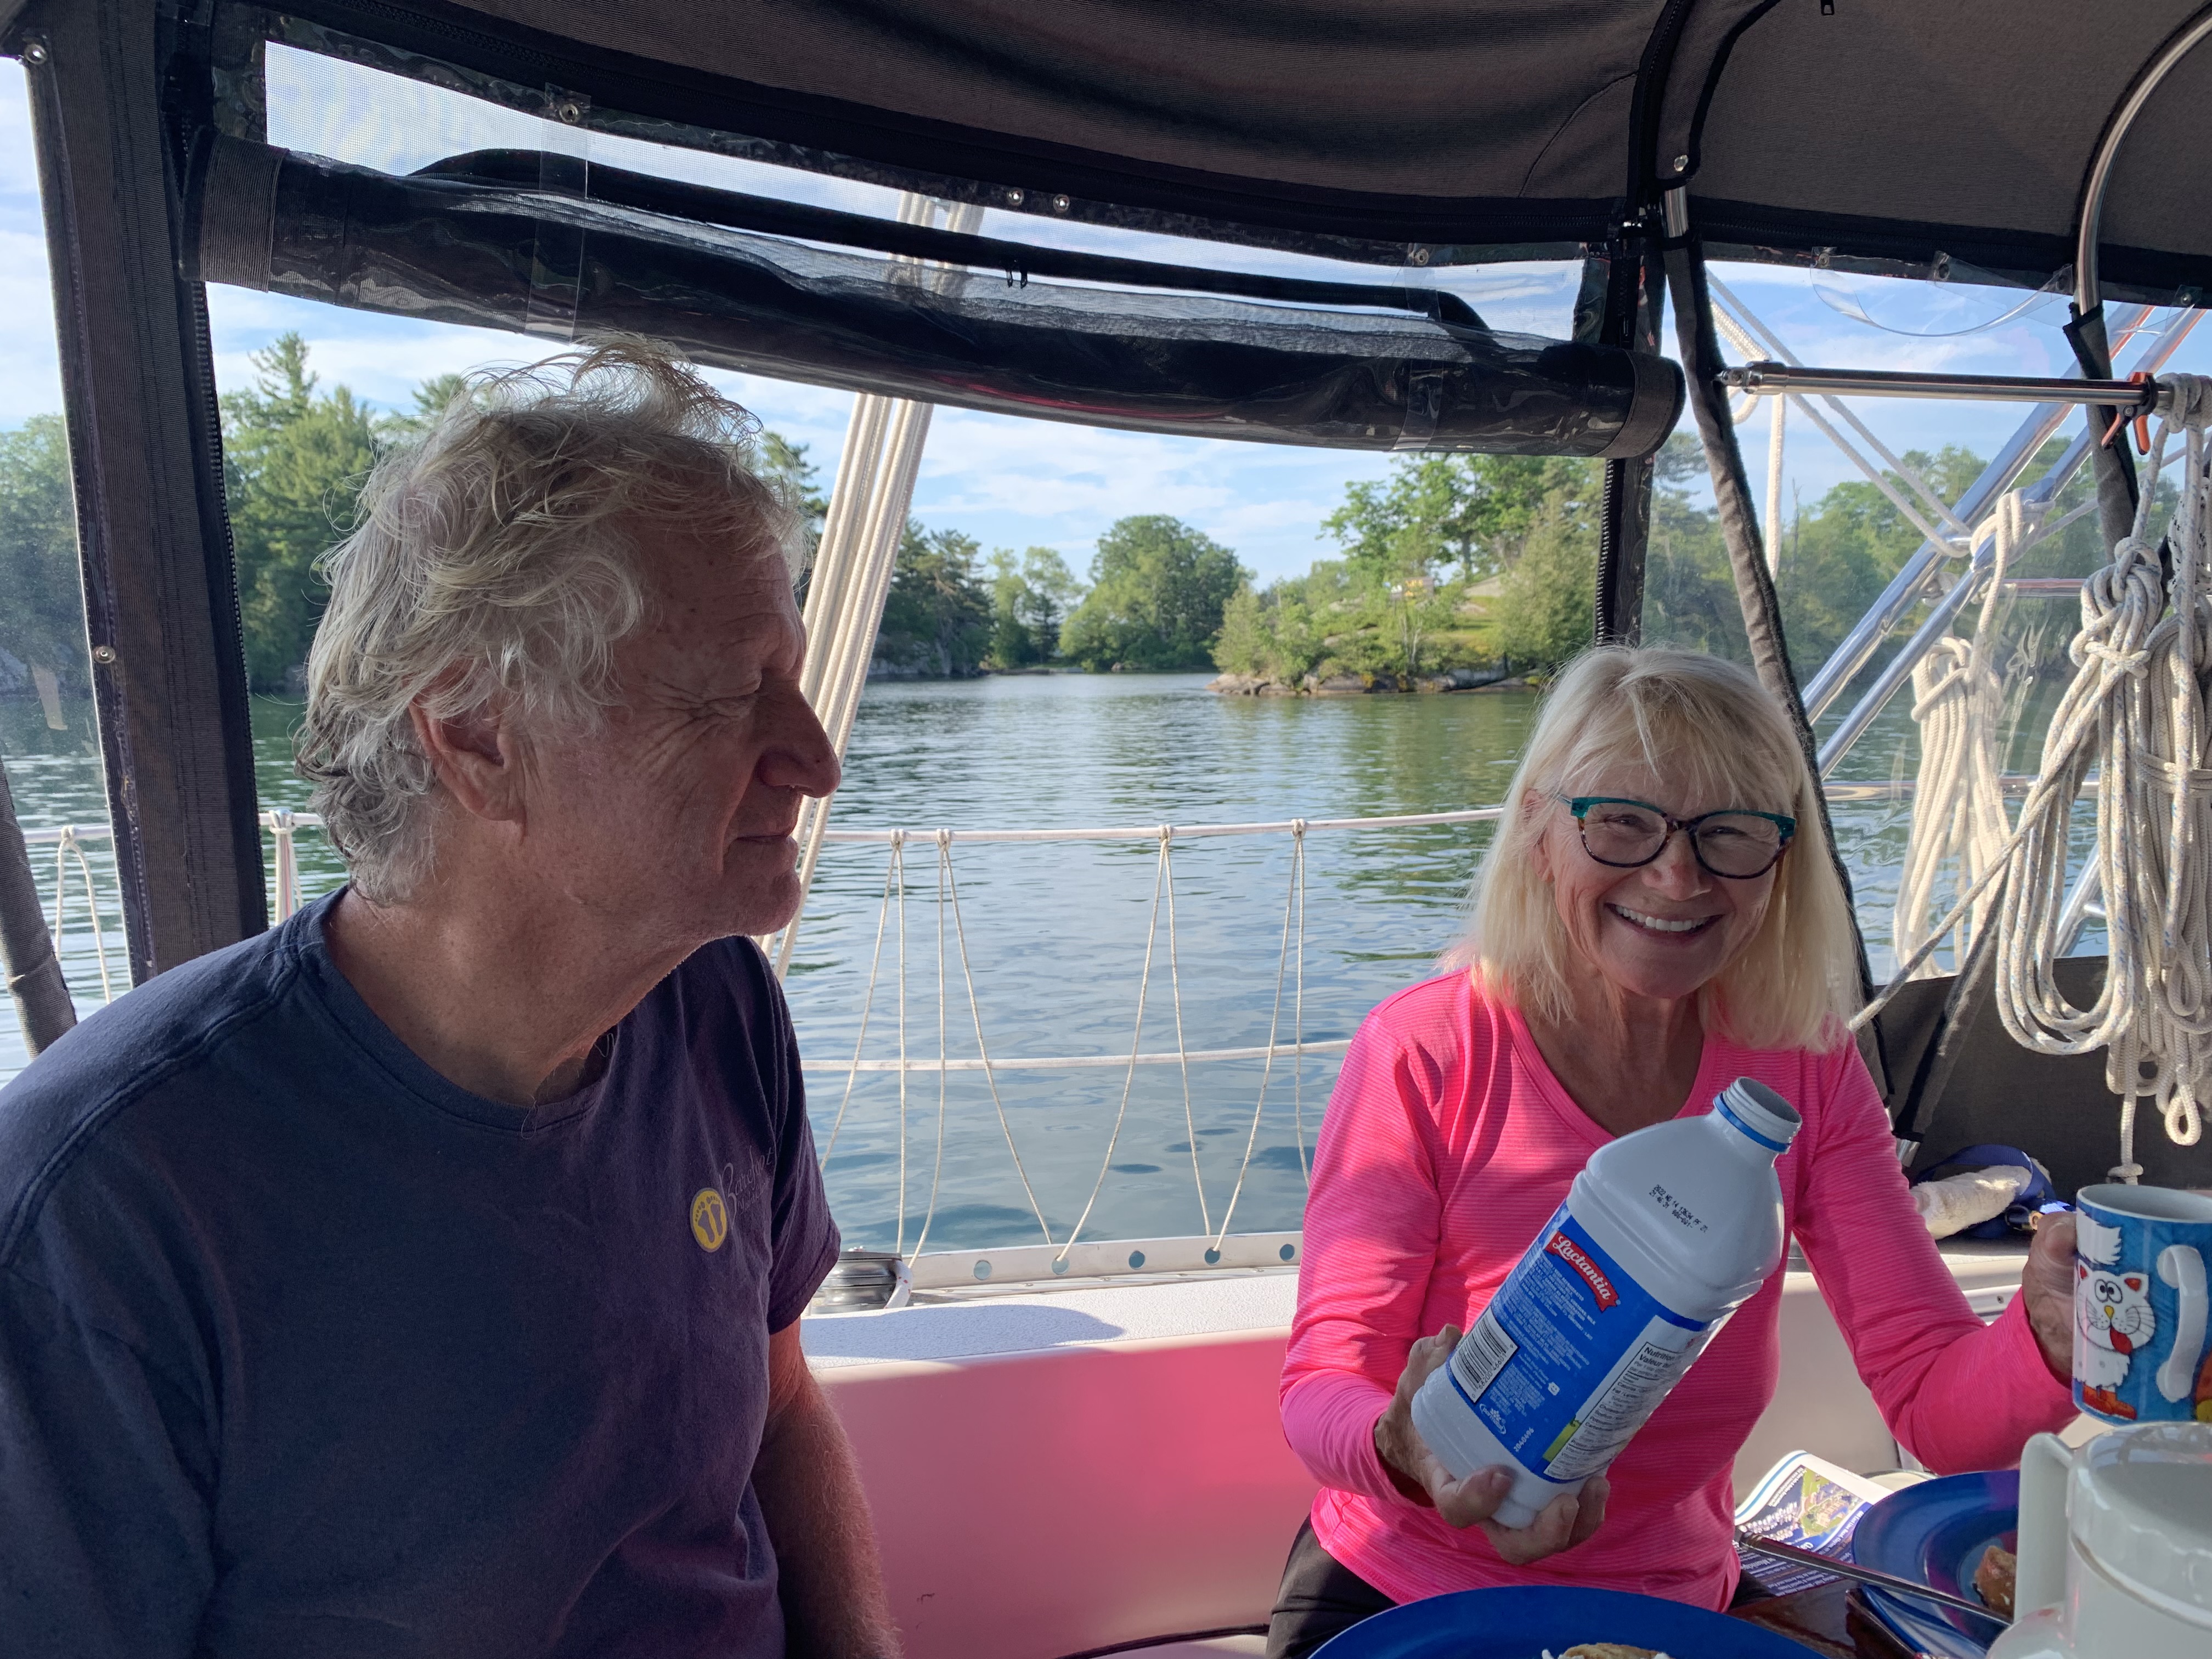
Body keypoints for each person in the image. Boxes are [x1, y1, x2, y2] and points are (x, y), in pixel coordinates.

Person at [0, 342, 898, 1657]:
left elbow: (778, 1414)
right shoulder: (106, 1205)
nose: (814, 759)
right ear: (476, 737)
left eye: (792, 677)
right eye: (724, 694)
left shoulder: (715, 1008)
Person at [1268, 647, 2079, 1656]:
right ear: (1540, 833)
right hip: (1401, 1587)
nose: (1676, 876)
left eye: (1729, 832)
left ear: (1781, 863)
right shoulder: (1427, 1050)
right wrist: (1404, 1449)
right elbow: (1324, 1382)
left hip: (1671, 1604)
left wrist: (2052, 1342)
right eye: (1622, 821)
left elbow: (1935, 1405)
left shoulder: (1804, 1069)